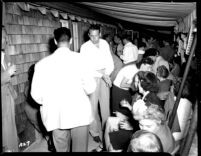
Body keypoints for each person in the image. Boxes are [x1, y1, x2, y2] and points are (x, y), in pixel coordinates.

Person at [31, 27, 96, 152]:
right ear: (71, 40)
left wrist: (50, 102)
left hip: (56, 115)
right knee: (80, 149)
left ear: (55, 41)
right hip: (79, 113)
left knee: (61, 149)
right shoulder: (82, 59)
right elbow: (90, 87)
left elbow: (36, 94)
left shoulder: (41, 64)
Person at [80, 24, 114, 151]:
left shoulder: (105, 43)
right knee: (92, 108)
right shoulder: (84, 47)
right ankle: (94, 132)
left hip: (105, 76)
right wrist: (102, 74)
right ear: (88, 35)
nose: (94, 39)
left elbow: (109, 61)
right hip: (92, 78)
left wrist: (107, 74)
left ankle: (107, 130)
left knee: (105, 107)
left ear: (100, 34)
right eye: (91, 36)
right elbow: (86, 68)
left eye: (96, 35)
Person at [1, 25, 19, 152]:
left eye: (5, 37)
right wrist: (7, 73)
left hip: (8, 100)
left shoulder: (4, 56)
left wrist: (14, 93)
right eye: (2, 37)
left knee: (11, 133)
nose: (5, 40)